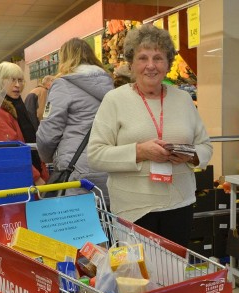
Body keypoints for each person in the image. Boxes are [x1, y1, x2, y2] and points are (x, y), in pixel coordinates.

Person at [88, 24, 213, 247]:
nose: (151, 66)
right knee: (136, 277)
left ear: (168, 64)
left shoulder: (183, 99)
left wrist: (191, 155)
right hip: (133, 210)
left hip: (179, 205)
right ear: (131, 64)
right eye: (143, 58)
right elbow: (95, 155)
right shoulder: (114, 100)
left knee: (174, 275)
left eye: (158, 58)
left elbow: (205, 146)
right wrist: (139, 151)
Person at [36, 38, 114, 199]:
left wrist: (46, 157)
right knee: (105, 220)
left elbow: (49, 130)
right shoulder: (109, 85)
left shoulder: (62, 85)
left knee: (76, 221)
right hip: (107, 165)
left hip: (76, 170)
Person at [0, 61, 48, 185]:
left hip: (27, 172)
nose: (17, 85)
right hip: (18, 178)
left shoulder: (17, 105)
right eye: (12, 80)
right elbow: (10, 150)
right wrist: (36, 177)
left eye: (20, 80)